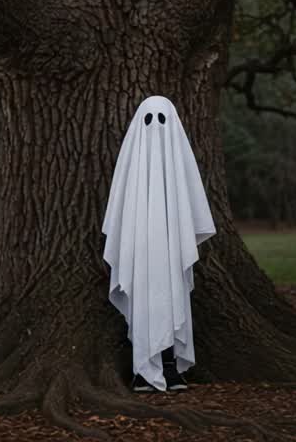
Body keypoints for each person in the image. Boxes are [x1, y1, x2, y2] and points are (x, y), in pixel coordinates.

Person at [101, 96, 216, 392]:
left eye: (162, 120)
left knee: (172, 296)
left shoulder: (178, 164)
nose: (156, 126)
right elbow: (120, 211)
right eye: (149, 120)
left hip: (170, 249)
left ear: (172, 125)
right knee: (142, 299)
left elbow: (189, 206)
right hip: (139, 250)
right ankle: (143, 368)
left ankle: (169, 365)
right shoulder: (131, 164)